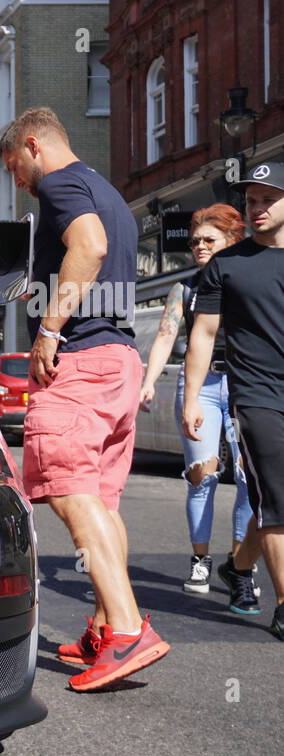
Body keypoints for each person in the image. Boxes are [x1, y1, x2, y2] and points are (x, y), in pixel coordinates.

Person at [0, 106, 170, 691]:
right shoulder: (107, 189)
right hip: (119, 360)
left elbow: (89, 246)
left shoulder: (61, 183)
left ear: (32, 146)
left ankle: (126, 629)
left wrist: (48, 328)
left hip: (82, 359)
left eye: (13, 166)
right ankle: (105, 626)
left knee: (69, 493)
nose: (17, 180)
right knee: (101, 501)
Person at [183, 160, 284, 640]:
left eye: (268, 199)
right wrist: (191, 400)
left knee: (274, 503)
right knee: (277, 498)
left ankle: (239, 567)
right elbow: (202, 335)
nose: (258, 207)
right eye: (252, 201)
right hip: (255, 394)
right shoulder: (228, 263)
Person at [139, 204, 257, 602]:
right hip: (201, 384)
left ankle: (243, 564)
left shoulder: (248, 281)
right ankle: (201, 560)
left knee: (247, 476)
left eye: (209, 240)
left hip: (244, 384)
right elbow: (165, 337)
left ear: (231, 241)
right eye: (194, 241)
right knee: (202, 475)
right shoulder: (185, 289)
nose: (199, 247)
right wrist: (149, 381)